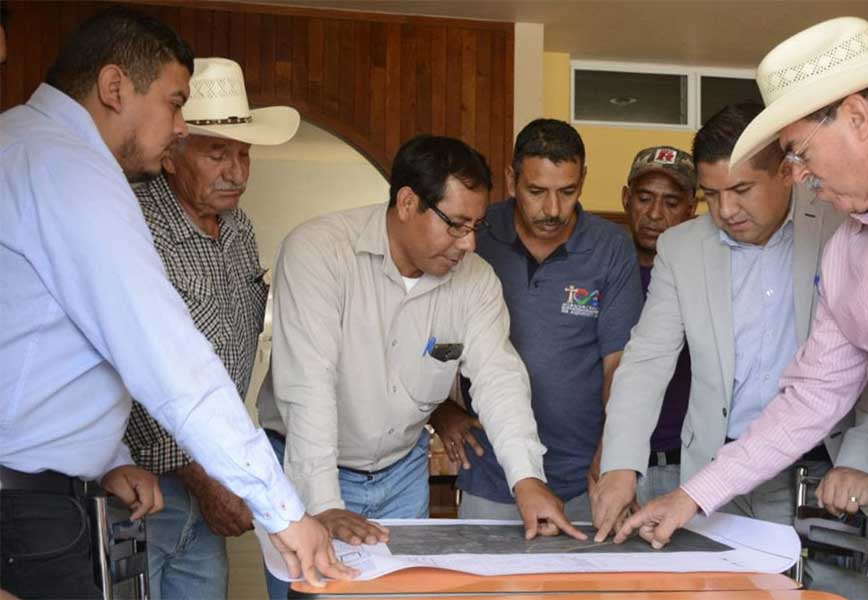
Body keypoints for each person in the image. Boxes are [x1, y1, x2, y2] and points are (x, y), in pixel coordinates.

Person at [617, 17, 868, 599]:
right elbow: (813, 395)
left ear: (856, 117)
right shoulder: (849, 249)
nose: (796, 174)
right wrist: (691, 495)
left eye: (798, 152)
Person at [0, 9, 344, 599]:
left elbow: (44, 348)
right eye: (174, 103)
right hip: (31, 510)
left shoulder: (22, 142)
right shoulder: (73, 171)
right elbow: (170, 361)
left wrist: (107, 456)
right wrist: (284, 512)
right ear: (115, 88)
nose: (178, 126)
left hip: (56, 493)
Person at [257, 134, 586, 598]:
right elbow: (307, 386)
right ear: (408, 203)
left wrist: (526, 478)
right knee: (311, 593)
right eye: (456, 225)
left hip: (400, 472)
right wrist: (323, 503)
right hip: (304, 467)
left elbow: (499, 380)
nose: (469, 243)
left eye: (476, 226)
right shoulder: (319, 251)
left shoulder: (475, 281)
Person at [594, 103, 868, 596]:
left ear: (787, 172)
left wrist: (862, 456)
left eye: (741, 190)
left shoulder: (841, 227)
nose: (726, 211)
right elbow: (645, 362)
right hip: (714, 474)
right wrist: (620, 465)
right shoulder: (681, 247)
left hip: (824, 474)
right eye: (711, 195)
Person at [122, 57, 300, 599]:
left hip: (212, 471)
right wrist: (201, 477)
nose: (237, 172)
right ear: (171, 153)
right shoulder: (132, 222)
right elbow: (129, 363)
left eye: (244, 154)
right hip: (140, 484)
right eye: (217, 153)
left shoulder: (240, 228)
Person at [429, 119, 643, 522]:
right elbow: (422, 331)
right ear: (512, 180)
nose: (553, 210)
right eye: (537, 191)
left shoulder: (611, 247)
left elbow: (620, 363)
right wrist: (440, 409)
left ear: (583, 180)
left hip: (585, 477)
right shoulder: (475, 235)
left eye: (568, 192)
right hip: (490, 472)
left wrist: (615, 452)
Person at [620, 145, 697, 504]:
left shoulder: (706, 276)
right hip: (612, 464)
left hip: (686, 467)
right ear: (626, 199)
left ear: (692, 208)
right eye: (644, 198)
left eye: (671, 202)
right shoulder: (603, 272)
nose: (654, 214)